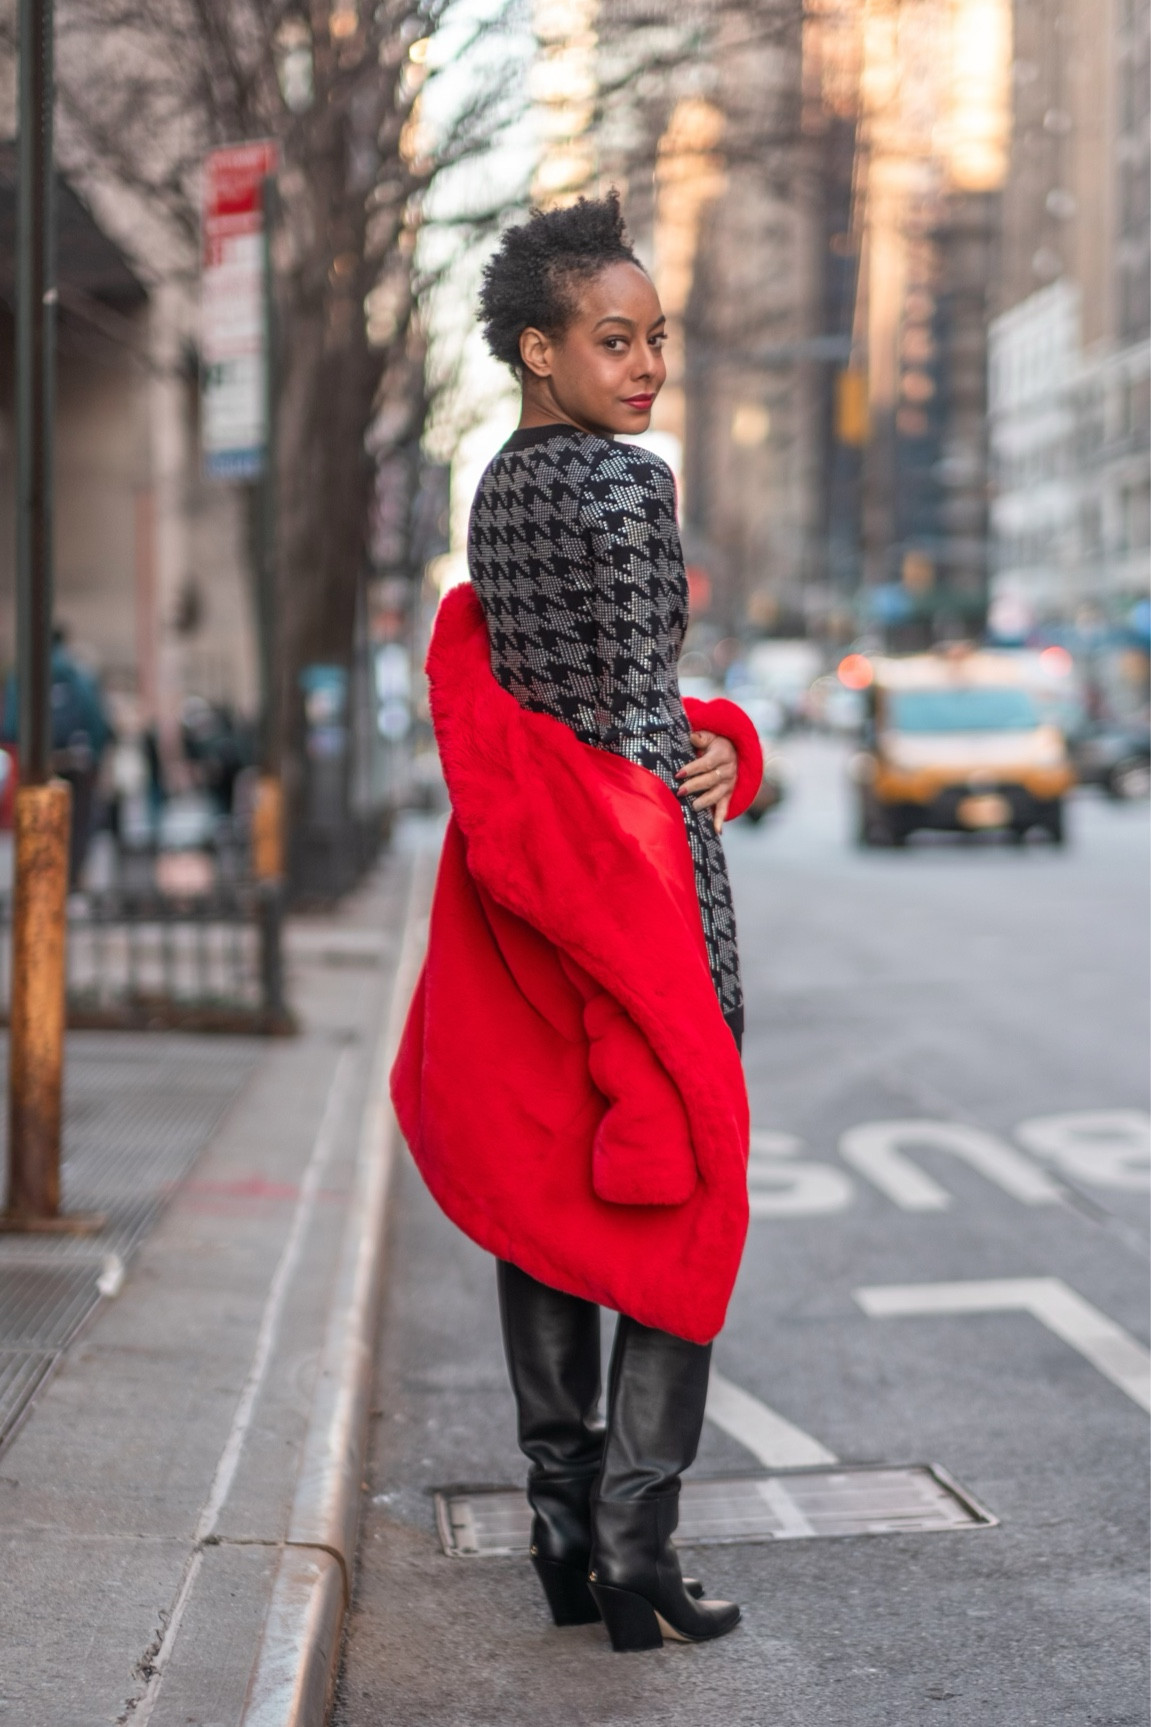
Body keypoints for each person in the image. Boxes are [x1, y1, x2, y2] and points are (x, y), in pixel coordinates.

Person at [391, 193, 762, 1652]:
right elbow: (625, 727)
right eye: (614, 339)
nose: (645, 363)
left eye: (654, 338)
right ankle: (632, 1542)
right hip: (628, 883)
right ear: (538, 348)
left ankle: (559, 1518)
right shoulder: (624, 486)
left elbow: (556, 704)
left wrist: (713, 730)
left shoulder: (496, 486)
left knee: (549, 1200)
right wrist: (713, 739)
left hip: (518, 886)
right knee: (685, 1188)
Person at [2, 625, 114, 886]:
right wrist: (94, 759)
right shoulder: (79, 674)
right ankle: (70, 884)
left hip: (36, 764)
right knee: (77, 828)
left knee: (37, 826)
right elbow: (98, 724)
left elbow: (9, 726)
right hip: (77, 762)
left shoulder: (21, 675)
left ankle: (39, 884)